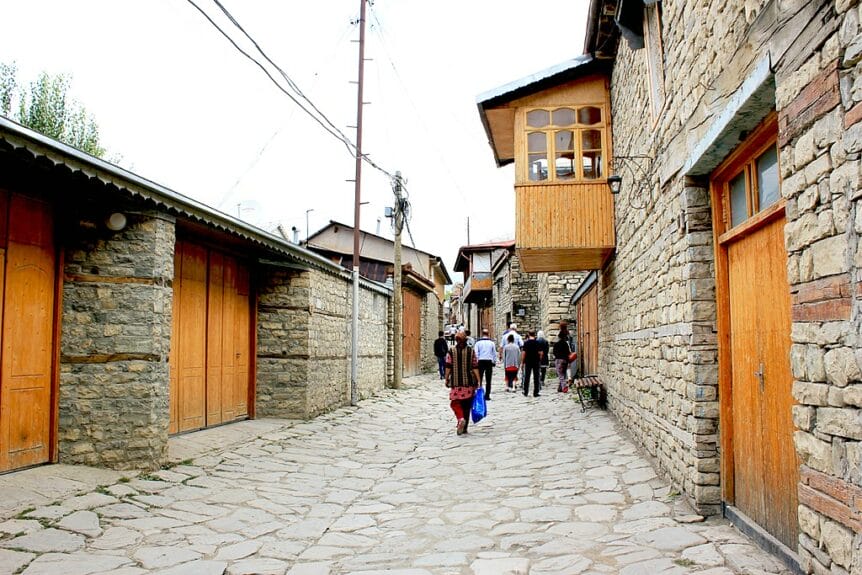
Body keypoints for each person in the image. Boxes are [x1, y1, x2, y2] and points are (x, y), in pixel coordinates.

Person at [444, 330, 480, 435]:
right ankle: (465, 428)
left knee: (455, 403)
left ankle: (460, 419)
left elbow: (448, 366)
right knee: (467, 405)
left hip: (456, 382)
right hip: (469, 382)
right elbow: (475, 366)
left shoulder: (451, 351)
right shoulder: (471, 351)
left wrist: (446, 378)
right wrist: (479, 380)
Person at [474, 328, 497, 400]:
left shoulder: (478, 343)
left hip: (480, 361)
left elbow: (476, 353)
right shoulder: (491, 343)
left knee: (479, 378)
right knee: (488, 379)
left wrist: (476, 362)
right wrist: (494, 361)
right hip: (489, 361)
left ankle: (479, 393)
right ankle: (487, 395)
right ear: (488, 334)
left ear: (482, 334)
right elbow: (494, 353)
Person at [520, 330, 543, 397]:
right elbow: (541, 353)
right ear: (534, 334)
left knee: (527, 377)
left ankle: (525, 391)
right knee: (536, 377)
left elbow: (524, 353)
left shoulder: (526, 343)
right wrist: (539, 359)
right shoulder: (537, 342)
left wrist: (522, 362)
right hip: (536, 361)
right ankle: (536, 392)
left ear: (528, 334)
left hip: (528, 361)